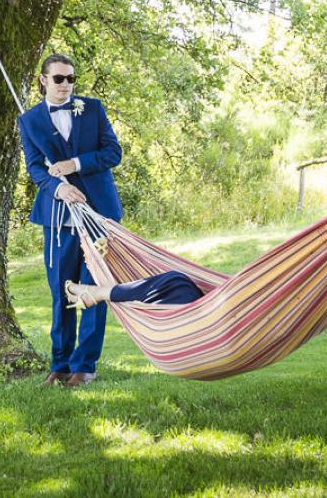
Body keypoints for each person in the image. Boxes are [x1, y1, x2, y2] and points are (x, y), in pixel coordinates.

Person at [17, 53, 122, 388]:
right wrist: (58, 188)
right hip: (58, 216)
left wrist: (74, 164)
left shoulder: (92, 109)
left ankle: (85, 366)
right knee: (60, 291)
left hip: (97, 214)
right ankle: (60, 365)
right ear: (43, 80)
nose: (66, 85)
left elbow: (112, 153)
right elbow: (34, 167)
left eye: (71, 79)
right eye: (59, 78)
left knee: (93, 290)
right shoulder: (29, 120)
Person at [64, 270, 203, 308]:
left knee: (175, 281)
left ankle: (97, 293)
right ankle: (97, 293)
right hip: (205, 311)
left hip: (198, 317)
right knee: (176, 281)